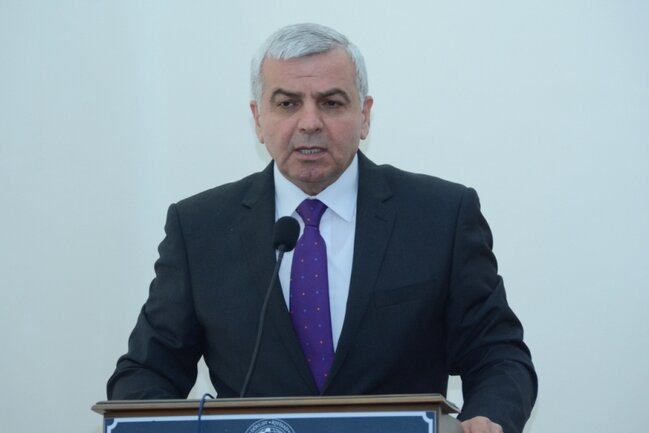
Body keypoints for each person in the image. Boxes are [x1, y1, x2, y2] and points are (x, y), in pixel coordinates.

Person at [107, 23, 537, 433]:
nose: (310, 122)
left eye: (331, 103)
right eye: (287, 103)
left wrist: (488, 417)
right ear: (258, 119)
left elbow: (497, 354)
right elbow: (146, 372)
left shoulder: (439, 216)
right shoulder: (200, 228)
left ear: (364, 115)